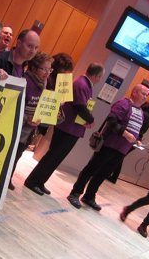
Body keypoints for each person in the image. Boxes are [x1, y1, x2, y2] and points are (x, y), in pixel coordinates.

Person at [24, 63, 104, 196]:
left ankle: (40, 181)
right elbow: (80, 106)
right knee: (53, 155)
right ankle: (33, 181)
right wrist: (91, 119)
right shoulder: (82, 84)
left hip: (72, 128)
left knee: (56, 157)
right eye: (101, 77)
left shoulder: (84, 84)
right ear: (97, 76)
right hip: (68, 127)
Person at [67, 84, 149, 211]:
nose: (145, 97)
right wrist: (125, 133)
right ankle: (75, 193)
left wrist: (137, 140)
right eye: (143, 94)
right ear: (134, 93)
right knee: (91, 169)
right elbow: (112, 121)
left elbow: (137, 130)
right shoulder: (123, 104)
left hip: (122, 149)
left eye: (146, 95)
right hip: (109, 144)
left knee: (103, 173)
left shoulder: (141, 112)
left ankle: (89, 196)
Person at [8, 52, 54, 190]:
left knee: (18, 154)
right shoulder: (25, 81)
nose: (47, 73)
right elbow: (14, 105)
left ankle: (8, 177)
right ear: (34, 67)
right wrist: (27, 118)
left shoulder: (44, 84)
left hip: (29, 131)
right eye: (44, 69)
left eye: (49, 69)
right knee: (11, 154)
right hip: (17, 127)